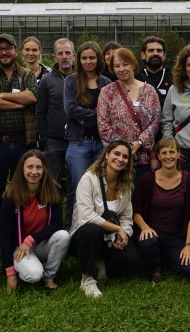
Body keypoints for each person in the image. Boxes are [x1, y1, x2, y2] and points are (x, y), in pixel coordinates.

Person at [0, 33, 39, 239]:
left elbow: (32, 95)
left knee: (21, 190)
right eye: (0, 49)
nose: (4, 52)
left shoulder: (27, 74)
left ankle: (18, 230)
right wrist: (20, 102)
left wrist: (2, 96)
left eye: (8, 48)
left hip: (22, 142)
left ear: (16, 51)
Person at [70, 140, 140, 298]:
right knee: (91, 230)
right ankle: (87, 279)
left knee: (131, 257)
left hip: (108, 239)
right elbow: (86, 216)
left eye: (125, 156)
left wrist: (124, 235)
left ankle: (101, 263)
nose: (120, 159)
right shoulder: (89, 179)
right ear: (107, 155)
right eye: (116, 154)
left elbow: (127, 219)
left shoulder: (126, 185)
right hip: (83, 237)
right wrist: (117, 228)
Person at [0, 149, 69, 292]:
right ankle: (28, 268)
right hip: (20, 249)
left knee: (63, 235)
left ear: (44, 170)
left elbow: (57, 224)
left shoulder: (52, 190)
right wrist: (10, 273)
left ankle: (49, 277)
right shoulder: (11, 196)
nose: (34, 172)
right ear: (22, 169)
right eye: (29, 167)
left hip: (40, 243)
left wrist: (31, 239)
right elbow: (5, 236)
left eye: (38, 167)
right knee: (33, 275)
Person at [134, 137, 190, 282]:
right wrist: (145, 228)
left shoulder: (188, 179)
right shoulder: (147, 179)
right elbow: (136, 211)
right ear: (158, 156)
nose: (168, 156)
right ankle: (155, 270)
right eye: (164, 153)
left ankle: (166, 257)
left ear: (178, 154)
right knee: (148, 241)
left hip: (175, 237)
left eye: (171, 152)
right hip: (153, 233)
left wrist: (188, 245)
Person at [97, 47, 161, 180]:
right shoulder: (106, 92)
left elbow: (155, 121)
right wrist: (126, 148)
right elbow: (103, 125)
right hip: (117, 159)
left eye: (125, 64)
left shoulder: (149, 91)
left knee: (140, 198)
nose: (121, 69)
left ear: (133, 64)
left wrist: (138, 143)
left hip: (143, 157)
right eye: (117, 66)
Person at [64, 41, 111, 206]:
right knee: (79, 190)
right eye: (84, 58)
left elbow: (110, 112)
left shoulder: (106, 82)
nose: (88, 61)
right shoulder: (71, 81)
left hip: (102, 144)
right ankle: (79, 228)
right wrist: (98, 114)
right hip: (79, 143)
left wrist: (85, 117)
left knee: (101, 190)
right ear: (79, 59)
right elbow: (70, 110)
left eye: (92, 57)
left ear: (98, 59)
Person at [36, 38, 74, 187]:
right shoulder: (46, 80)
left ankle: (73, 211)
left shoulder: (81, 78)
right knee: (52, 185)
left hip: (77, 141)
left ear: (74, 55)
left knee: (76, 185)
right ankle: (53, 211)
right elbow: (40, 112)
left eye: (68, 53)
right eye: (60, 53)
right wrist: (44, 138)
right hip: (54, 141)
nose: (64, 56)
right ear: (55, 57)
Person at [135, 35, 171, 110]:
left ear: (164, 55)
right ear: (143, 55)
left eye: (159, 50)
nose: (155, 53)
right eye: (151, 50)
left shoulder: (174, 78)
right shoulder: (136, 79)